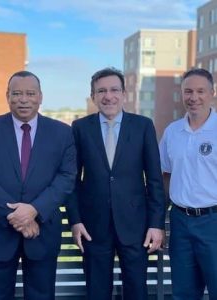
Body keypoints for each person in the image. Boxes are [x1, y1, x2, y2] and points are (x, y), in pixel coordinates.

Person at [0, 70, 77, 300]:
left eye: (30, 93)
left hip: (43, 231)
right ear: (7, 96)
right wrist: (18, 215)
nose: (23, 99)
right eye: (17, 93)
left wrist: (34, 210)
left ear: (40, 97)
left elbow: (66, 177)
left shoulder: (62, 132)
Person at [67, 67, 166, 300]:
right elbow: (71, 180)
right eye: (101, 91)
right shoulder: (80, 128)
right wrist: (75, 219)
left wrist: (155, 223)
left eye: (114, 90)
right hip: (93, 226)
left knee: (137, 291)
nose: (108, 96)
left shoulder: (143, 126)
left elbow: (154, 179)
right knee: (97, 291)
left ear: (124, 94)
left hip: (136, 226)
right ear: (93, 96)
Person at [159, 68, 217, 299]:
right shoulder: (172, 132)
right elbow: (164, 175)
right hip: (180, 221)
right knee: (183, 292)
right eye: (188, 91)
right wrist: (160, 219)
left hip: (213, 221)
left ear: (212, 93)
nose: (194, 98)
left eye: (200, 91)